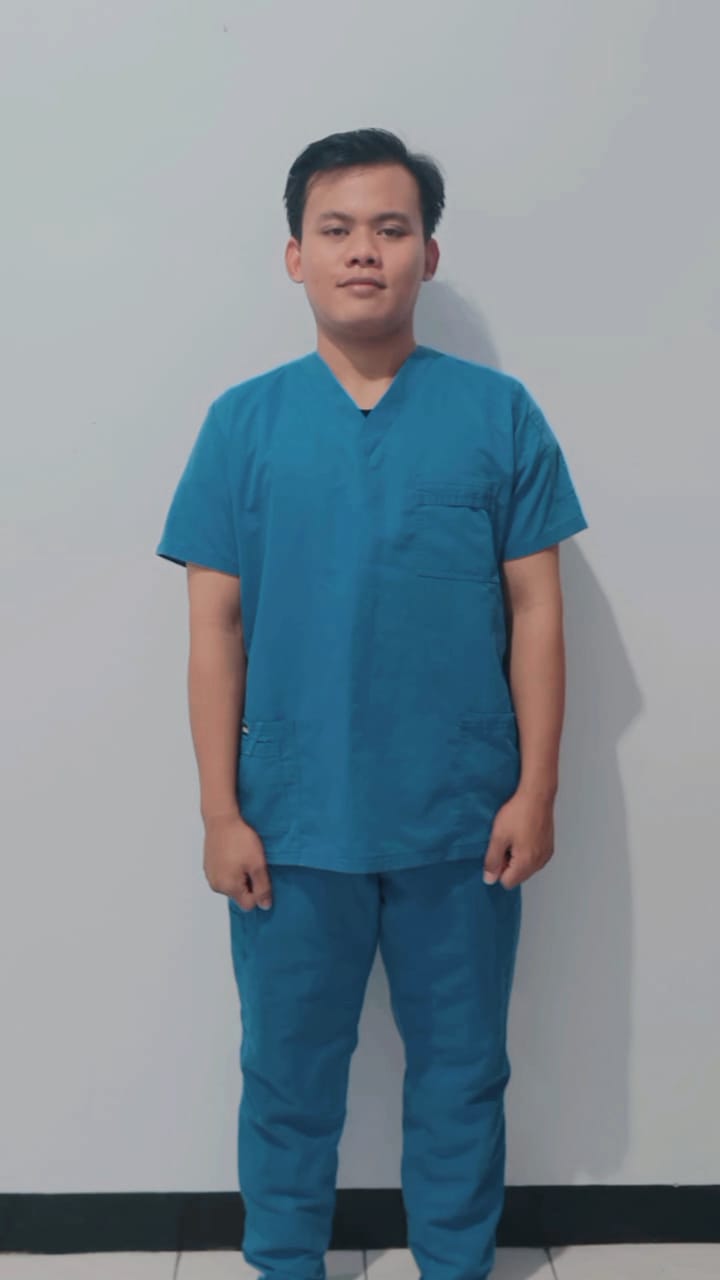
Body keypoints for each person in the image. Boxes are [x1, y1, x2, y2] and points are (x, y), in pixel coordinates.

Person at [155, 127, 589, 1280]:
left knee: (463, 1071)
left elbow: (538, 611)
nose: (364, 251)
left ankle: (456, 1262)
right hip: (292, 821)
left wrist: (537, 788)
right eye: (337, 228)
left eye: (391, 229)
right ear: (294, 255)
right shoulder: (242, 425)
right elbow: (214, 626)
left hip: (462, 819)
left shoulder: (498, 416)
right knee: (287, 1074)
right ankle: (285, 1261)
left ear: (428, 254)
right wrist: (219, 810)